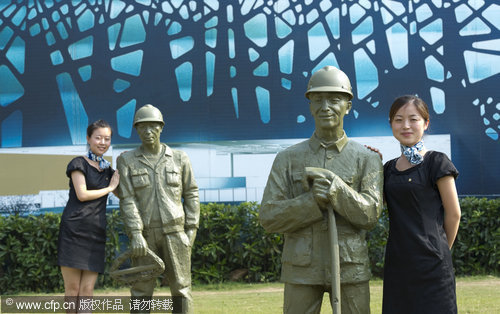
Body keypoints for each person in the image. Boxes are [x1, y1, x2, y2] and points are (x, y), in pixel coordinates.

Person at [260, 66, 384, 314]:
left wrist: (337, 190)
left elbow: (370, 215)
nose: (325, 106)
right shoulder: (288, 159)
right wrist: (311, 203)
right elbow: (269, 217)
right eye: (317, 99)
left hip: (350, 266)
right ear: (309, 106)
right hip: (301, 268)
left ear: (348, 106)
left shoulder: (367, 159)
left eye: (334, 99)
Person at [116, 104, 200, 313]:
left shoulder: (180, 159)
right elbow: (127, 199)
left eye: (153, 126)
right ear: (136, 130)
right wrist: (135, 234)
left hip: (175, 233)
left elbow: (191, 193)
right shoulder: (126, 160)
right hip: (144, 236)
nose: (148, 131)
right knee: (141, 290)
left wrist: (191, 230)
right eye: (142, 127)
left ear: (161, 128)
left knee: (181, 289)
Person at [381, 95, 461, 313]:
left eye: (413, 119)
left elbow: (454, 214)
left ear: (426, 123)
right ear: (391, 124)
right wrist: (369, 162)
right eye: (398, 119)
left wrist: (440, 251)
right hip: (398, 265)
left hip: (432, 266)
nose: (405, 125)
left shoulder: (437, 162)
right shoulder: (387, 169)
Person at [57, 120, 120, 300]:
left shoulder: (108, 170)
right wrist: (109, 188)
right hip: (73, 231)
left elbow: (122, 194)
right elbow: (82, 194)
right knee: (73, 289)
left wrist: (124, 166)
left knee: (87, 291)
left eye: (107, 139)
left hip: (95, 233)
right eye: (98, 138)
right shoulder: (78, 163)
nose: (102, 142)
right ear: (88, 139)